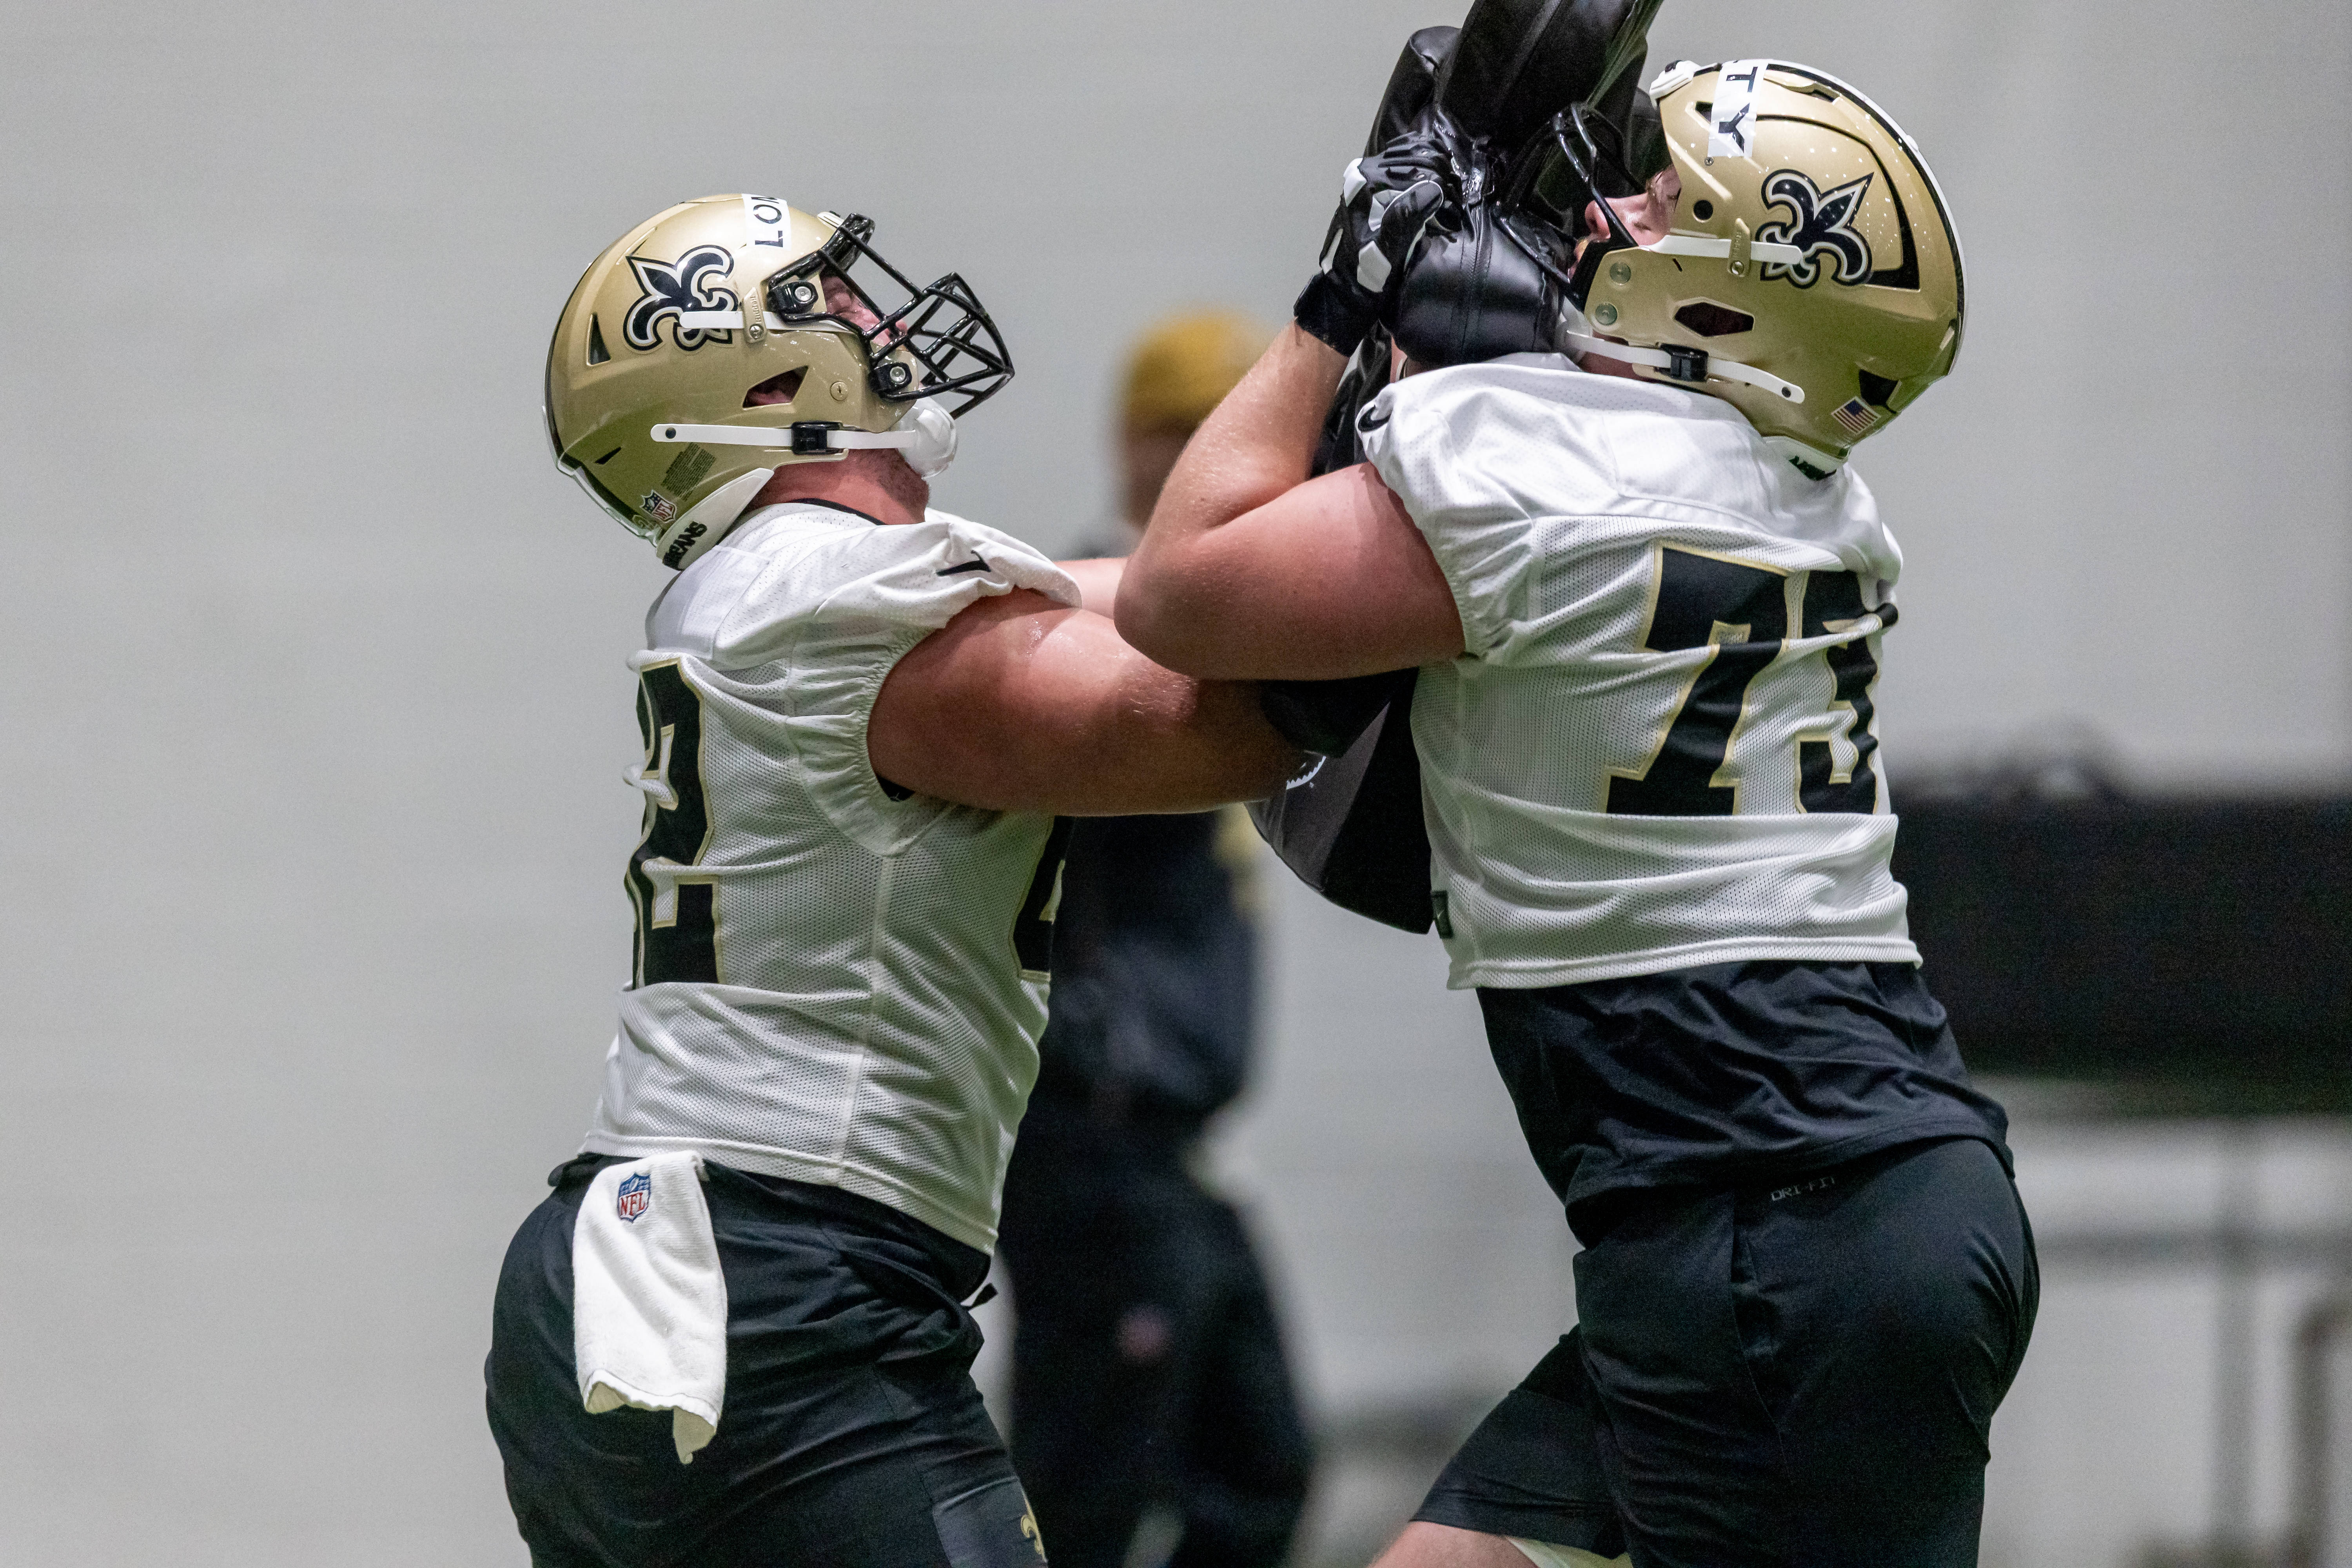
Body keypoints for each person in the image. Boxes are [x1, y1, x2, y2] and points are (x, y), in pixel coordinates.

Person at [1118, 58, 2037, 1568]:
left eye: (1659, 201)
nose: (1605, 215)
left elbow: (1176, 594)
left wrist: (1342, 293)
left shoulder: (1535, 458)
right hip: (1821, 1205)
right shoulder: (1816, 497)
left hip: (1765, 1236)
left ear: (1728, 299)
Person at [488, 194, 1299, 1568]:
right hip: (772, 1285)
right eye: (832, 299)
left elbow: (1169, 590)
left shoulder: (775, 589)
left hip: (668, 1264)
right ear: (766, 387)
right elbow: (1227, 725)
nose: (878, 317)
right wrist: (1356, 359)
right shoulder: (835, 596)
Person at [993, 314, 1313, 1568]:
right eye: (1174, 434)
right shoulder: (1092, 633)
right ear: (1130, 447)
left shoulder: (1218, 628)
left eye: (1221, 433)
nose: (1200, 462)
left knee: (1260, 1467)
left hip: (1175, 1143)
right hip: (1097, 1138)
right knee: (1080, 1494)